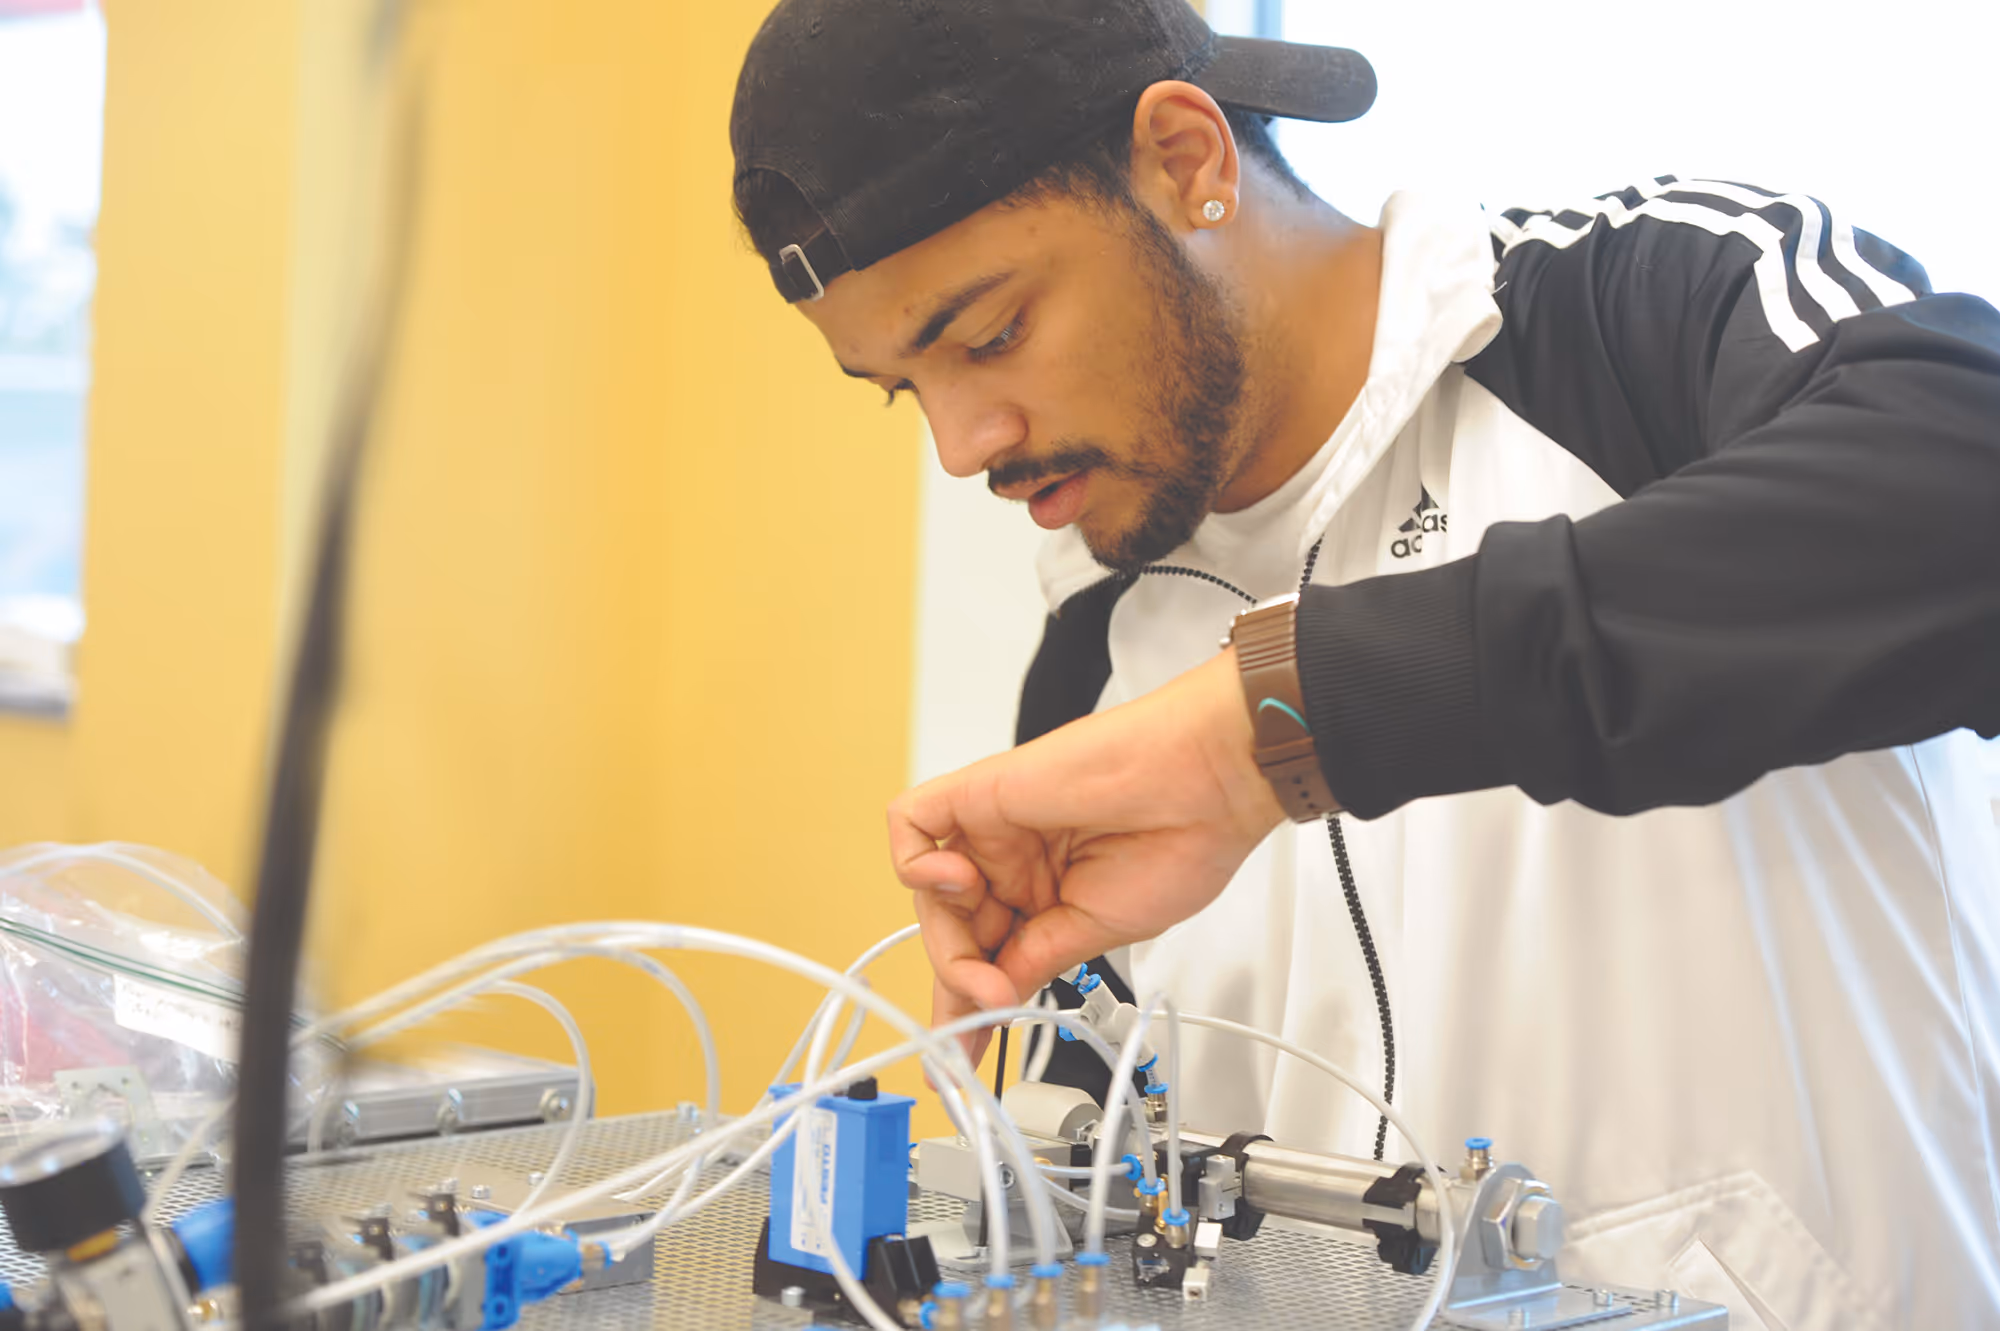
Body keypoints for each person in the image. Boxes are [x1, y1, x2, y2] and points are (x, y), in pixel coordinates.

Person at [730, 1, 2000, 1326]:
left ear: (1186, 159)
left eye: (988, 335)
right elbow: (1134, 1235)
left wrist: (1278, 720)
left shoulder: (1642, 320)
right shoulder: (1089, 667)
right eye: (901, 386)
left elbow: (1969, 491)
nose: (962, 442)